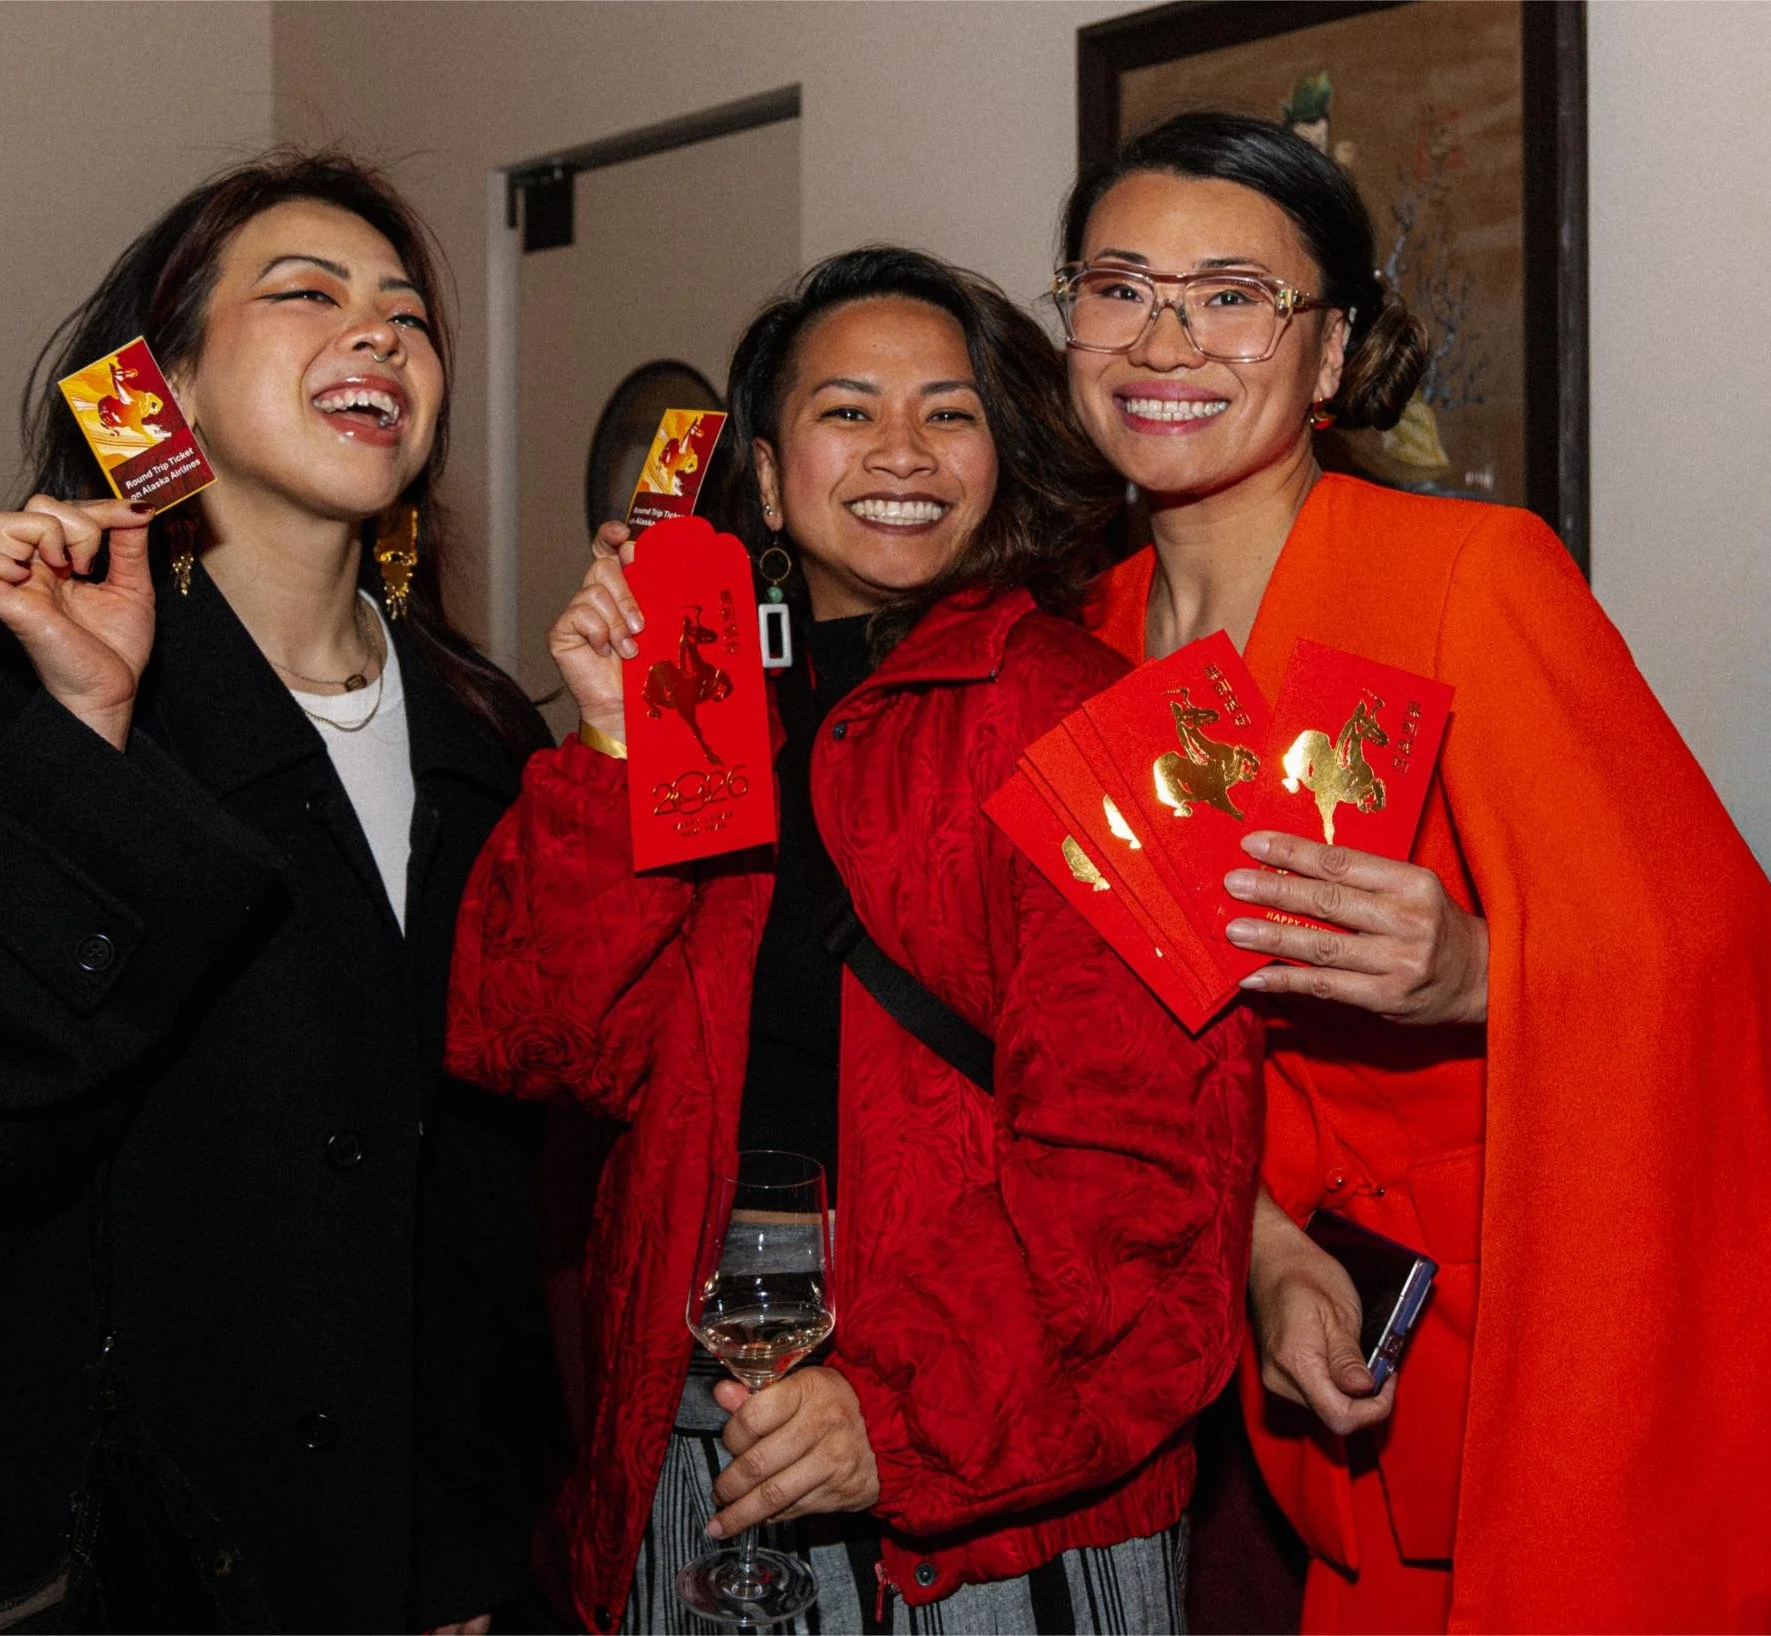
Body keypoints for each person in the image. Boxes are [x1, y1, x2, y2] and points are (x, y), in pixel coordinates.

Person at [1056, 110, 1771, 1631]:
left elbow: (1719, 980)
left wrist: (1474, 975)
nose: (1165, 336)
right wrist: (1259, 1256)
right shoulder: (1087, 643)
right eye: (1119, 287)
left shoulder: (1467, 577)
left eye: (1233, 295)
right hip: (1313, 1337)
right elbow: (1143, 1046)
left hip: (1545, 1324)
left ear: (1328, 360)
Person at [0, 151, 554, 1634]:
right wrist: (88, 736)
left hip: (398, 1522)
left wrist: (457, 1524)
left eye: (408, 314)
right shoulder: (30, 699)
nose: (381, 333)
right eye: (306, 294)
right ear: (159, 396)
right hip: (116, 1535)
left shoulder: (486, 732)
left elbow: (479, 1178)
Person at [446, 247, 1263, 1634]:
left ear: (1002, 454)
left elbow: (1154, 1184)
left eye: (949, 411)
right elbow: (534, 1043)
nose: (904, 450)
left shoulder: (1118, 725)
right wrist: (606, 742)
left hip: (990, 1479)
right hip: (699, 1428)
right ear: (764, 474)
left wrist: (894, 1409)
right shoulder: (704, 704)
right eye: (847, 410)